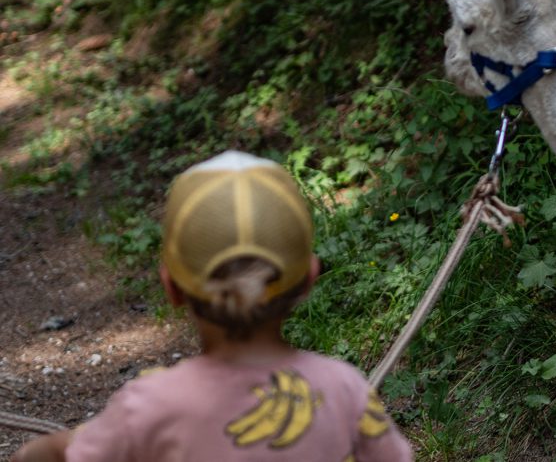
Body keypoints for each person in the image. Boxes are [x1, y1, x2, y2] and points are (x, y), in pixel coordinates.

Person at [13, 150, 413, 462]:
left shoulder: (150, 407)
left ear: (171, 286)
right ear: (309, 278)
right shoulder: (345, 390)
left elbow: (60, 455)